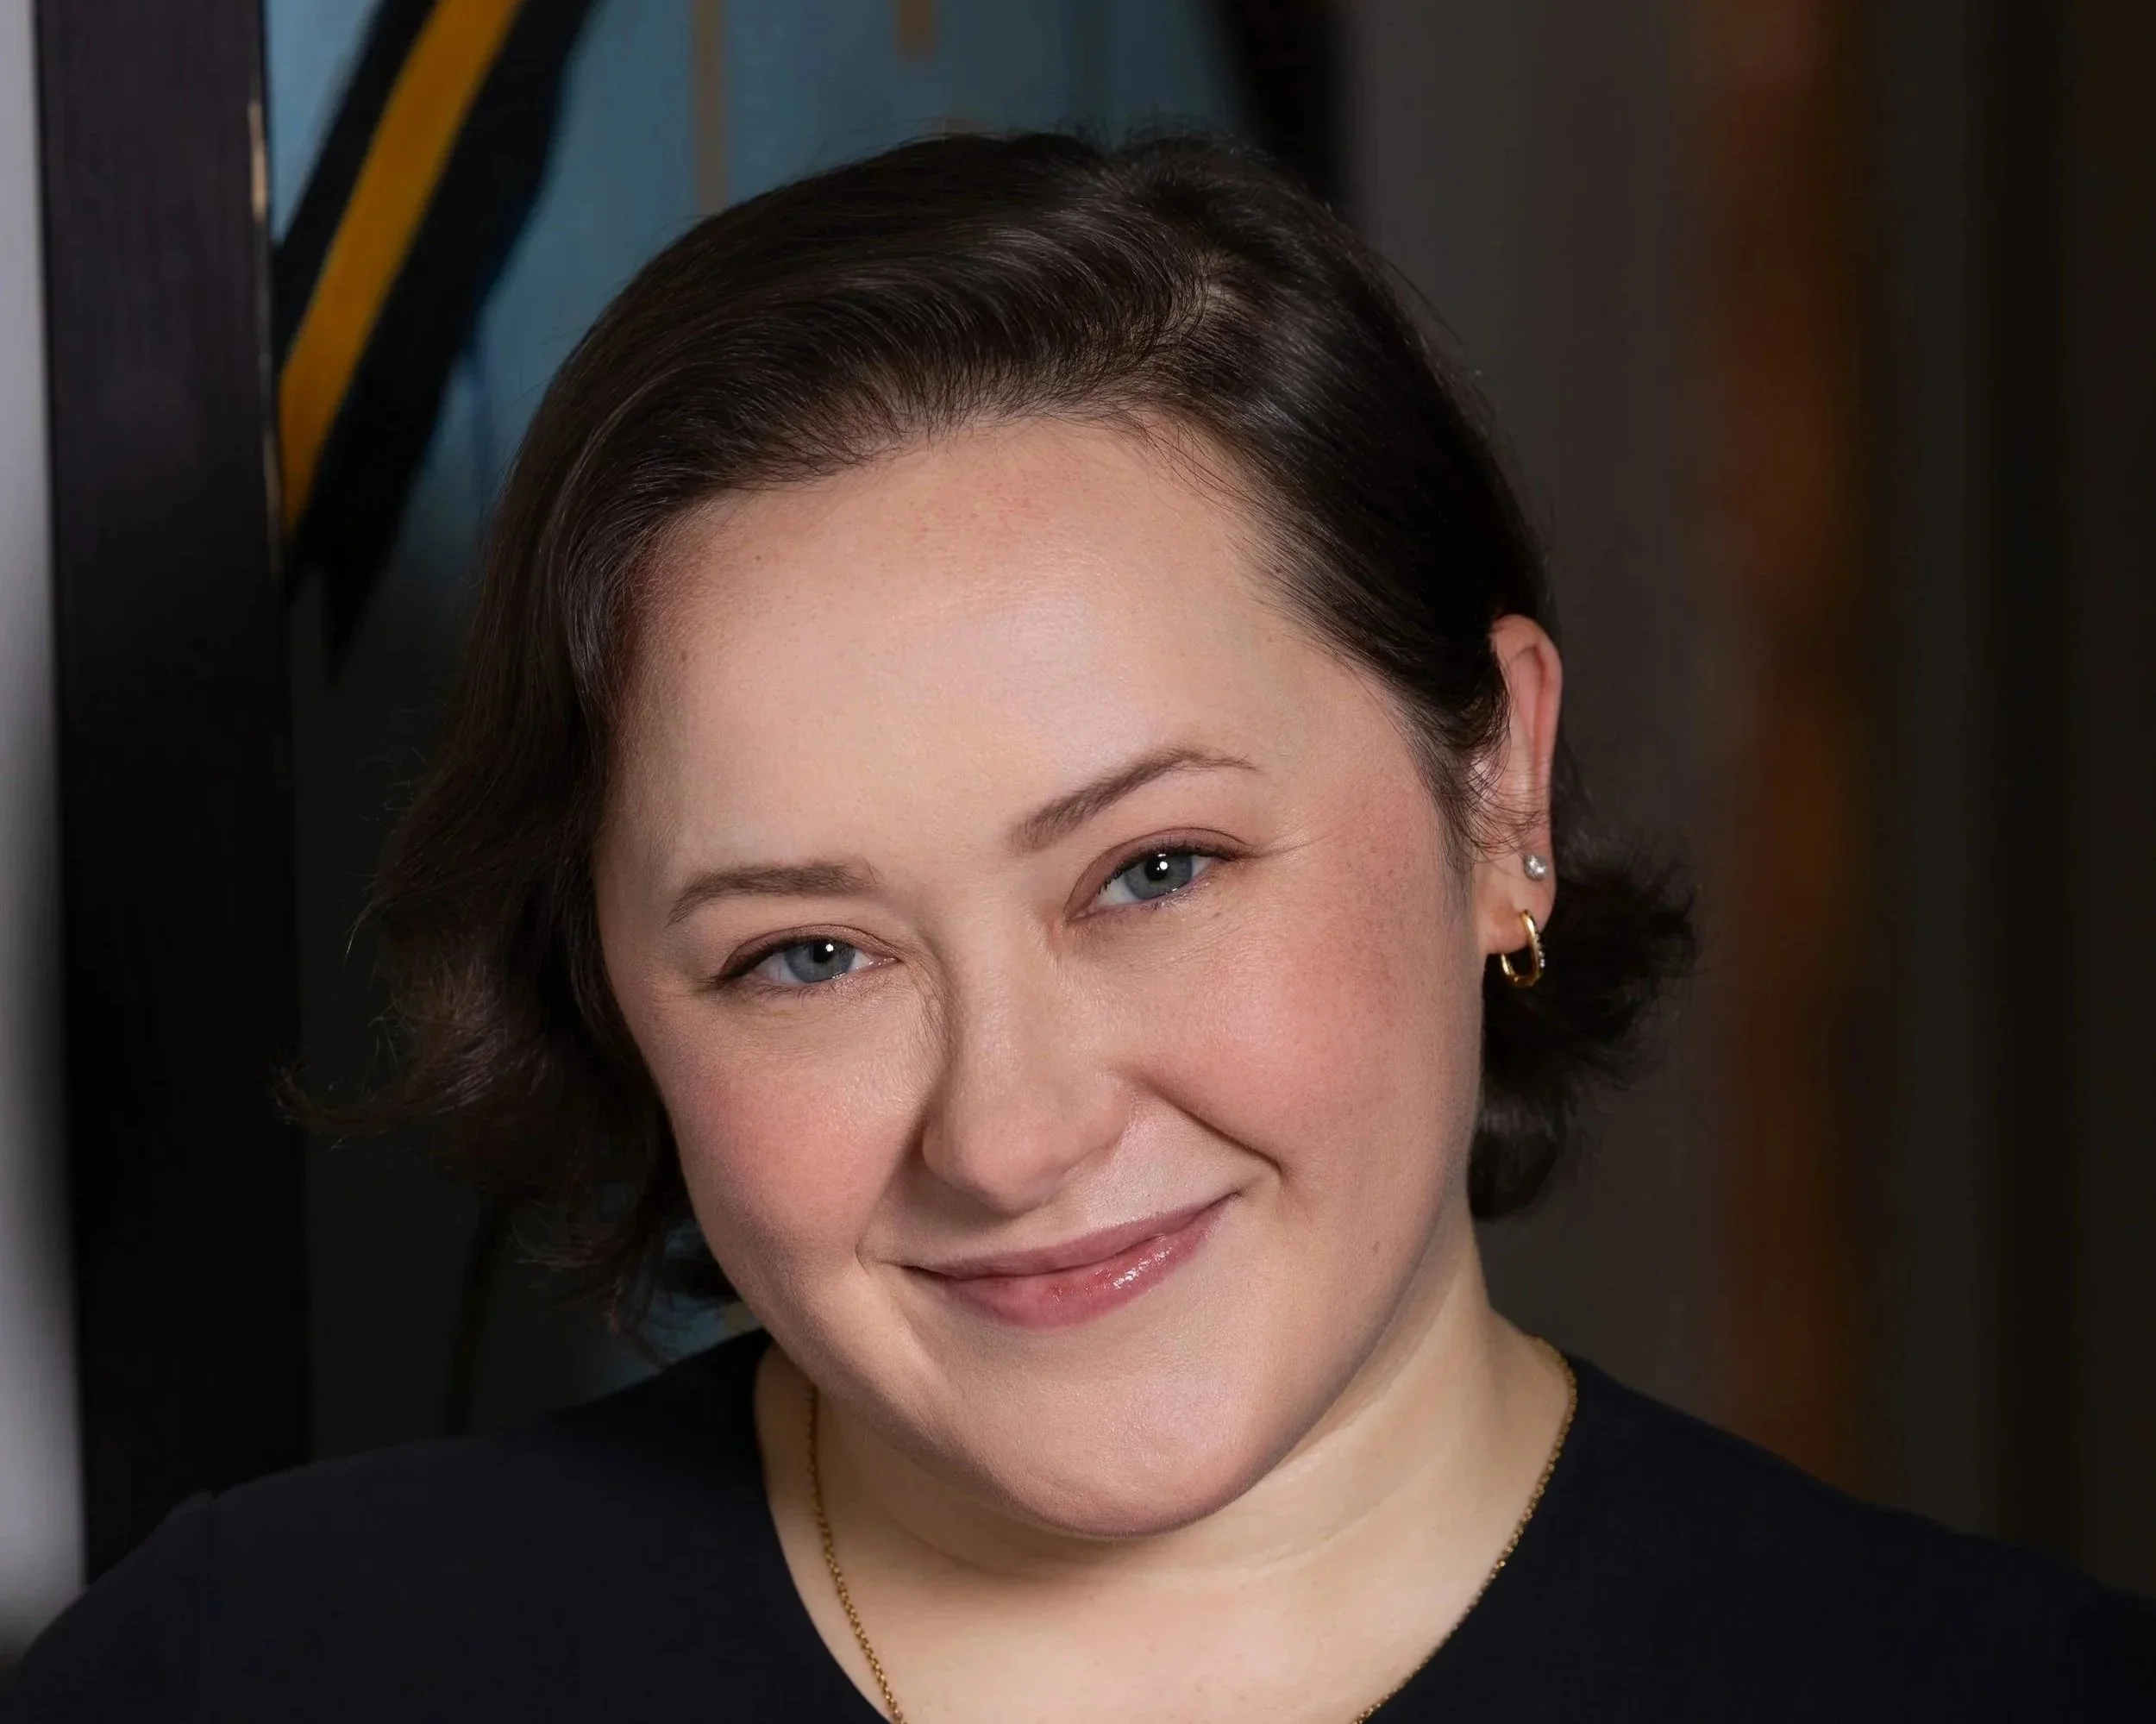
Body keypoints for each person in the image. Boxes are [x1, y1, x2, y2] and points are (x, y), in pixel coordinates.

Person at [8, 132, 2149, 1723]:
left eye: (1152, 870)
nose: (1010, 1136)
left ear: (1493, 786)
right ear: (612, 993)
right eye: (805, 954)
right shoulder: (252, 1680)